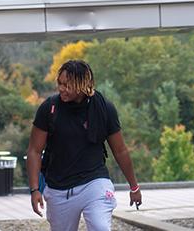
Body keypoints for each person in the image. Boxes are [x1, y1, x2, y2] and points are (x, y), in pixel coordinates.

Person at [26, 60, 142, 231]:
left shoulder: (104, 108)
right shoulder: (49, 108)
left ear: (82, 84)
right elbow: (34, 151)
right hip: (59, 188)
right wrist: (35, 189)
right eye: (59, 83)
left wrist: (134, 186)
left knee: (100, 227)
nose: (61, 88)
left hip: (94, 182)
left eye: (67, 85)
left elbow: (120, 150)